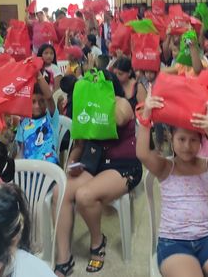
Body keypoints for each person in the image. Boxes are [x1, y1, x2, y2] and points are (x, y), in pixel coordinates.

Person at [136, 90, 208, 277]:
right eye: (181, 139)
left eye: (193, 140)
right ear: (171, 138)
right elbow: (143, 154)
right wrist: (146, 116)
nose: (187, 146)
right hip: (173, 243)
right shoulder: (166, 167)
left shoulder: (207, 165)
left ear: (201, 141)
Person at [54, 71, 142, 276]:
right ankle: (63, 257)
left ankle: (97, 242)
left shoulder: (122, 103)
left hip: (123, 166)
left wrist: (99, 98)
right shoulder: (86, 104)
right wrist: (72, 163)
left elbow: (119, 119)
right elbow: (80, 143)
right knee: (60, 191)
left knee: (85, 196)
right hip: (94, 164)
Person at [15, 76, 60, 164]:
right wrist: (14, 167)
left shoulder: (51, 117)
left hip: (49, 165)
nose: (37, 106)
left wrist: (38, 75)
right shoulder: (23, 122)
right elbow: (21, 151)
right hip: (29, 167)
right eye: (33, 102)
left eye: (42, 101)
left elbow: (49, 97)